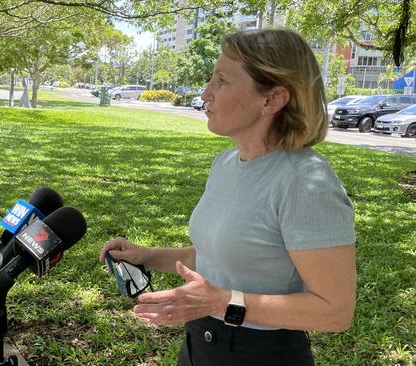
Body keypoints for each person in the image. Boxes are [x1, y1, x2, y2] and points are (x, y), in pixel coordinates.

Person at [99, 29, 356, 366]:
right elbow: (222, 256)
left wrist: (221, 302)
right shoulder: (225, 163)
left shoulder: (306, 182)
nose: (206, 93)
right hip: (198, 347)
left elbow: (335, 311)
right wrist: (148, 255)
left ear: (273, 99)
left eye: (221, 81)